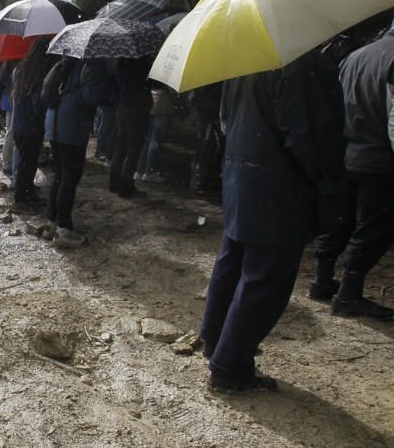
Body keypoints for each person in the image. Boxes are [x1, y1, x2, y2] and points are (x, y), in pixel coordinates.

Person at [199, 50, 346, 393]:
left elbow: (224, 120)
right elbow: (311, 137)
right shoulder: (300, 65)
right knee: (265, 279)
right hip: (279, 185)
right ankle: (229, 366)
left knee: (233, 262)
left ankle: (216, 340)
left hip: (241, 175)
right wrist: (331, 184)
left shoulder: (244, 62)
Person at [314, 23, 394, 319]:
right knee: (373, 228)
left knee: (341, 220)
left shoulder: (354, 56)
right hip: (380, 159)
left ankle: (321, 280)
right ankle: (349, 293)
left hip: (348, 152)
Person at [42, 56, 112, 246]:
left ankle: (51, 223)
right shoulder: (93, 64)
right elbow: (93, 97)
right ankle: (64, 228)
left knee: (59, 174)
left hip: (54, 122)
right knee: (69, 177)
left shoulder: (66, 61)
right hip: (72, 125)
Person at [9, 39, 54, 211]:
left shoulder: (20, 69)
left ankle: (27, 194)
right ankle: (21, 198)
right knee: (28, 163)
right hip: (31, 126)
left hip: (19, 124)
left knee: (25, 163)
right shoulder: (39, 73)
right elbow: (37, 102)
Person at [108, 57, 153, 198]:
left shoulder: (120, 64)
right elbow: (150, 83)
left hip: (122, 109)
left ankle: (114, 183)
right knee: (133, 151)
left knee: (120, 149)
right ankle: (126, 188)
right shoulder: (142, 64)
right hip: (137, 111)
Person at [135, 84, 177, 183]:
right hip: (163, 108)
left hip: (153, 105)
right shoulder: (168, 83)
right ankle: (150, 172)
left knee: (149, 141)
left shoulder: (155, 77)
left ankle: (140, 170)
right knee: (155, 142)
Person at [0, 60, 18, 180]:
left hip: (8, 96)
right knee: (11, 132)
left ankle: (7, 163)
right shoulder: (14, 61)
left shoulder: (6, 60)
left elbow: (2, 77)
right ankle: (8, 163)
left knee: (10, 131)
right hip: (12, 97)